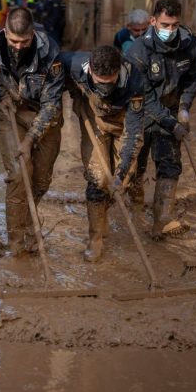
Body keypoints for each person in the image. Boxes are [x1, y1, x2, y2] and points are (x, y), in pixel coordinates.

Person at [0, 7, 65, 255]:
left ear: (32, 33)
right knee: (18, 175)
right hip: (12, 113)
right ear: (5, 32)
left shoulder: (50, 52)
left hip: (45, 116)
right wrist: (1, 94)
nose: (18, 47)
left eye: (24, 41)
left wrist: (29, 140)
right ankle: (16, 241)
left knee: (40, 180)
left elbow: (51, 104)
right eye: (13, 41)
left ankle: (27, 225)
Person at [61, 46, 148, 261]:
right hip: (95, 122)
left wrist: (121, 173)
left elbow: (134, 134)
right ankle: (96, 238)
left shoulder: (135, 80)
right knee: (97, 179)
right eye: (100, 82)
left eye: (110, 82)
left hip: (123, 125)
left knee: (123, 179)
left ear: (118, 71)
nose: (105, 88)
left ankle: (108, 209)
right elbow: (54, 72)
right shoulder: (74, 64)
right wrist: (74, 92)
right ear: (90, 70)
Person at [125, 0, 196, 240]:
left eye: (175, 25)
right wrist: (171, 123)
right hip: (139, 112)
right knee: (136, 167)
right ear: (153, 21)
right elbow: (144, 96)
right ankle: (136, 206)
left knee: (170, 163)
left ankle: (162, 219)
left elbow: (193, 78)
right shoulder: (137, 51)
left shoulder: (190, 44)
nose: (170, 30)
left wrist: (184, 107)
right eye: (165, 25)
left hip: (170, 110)